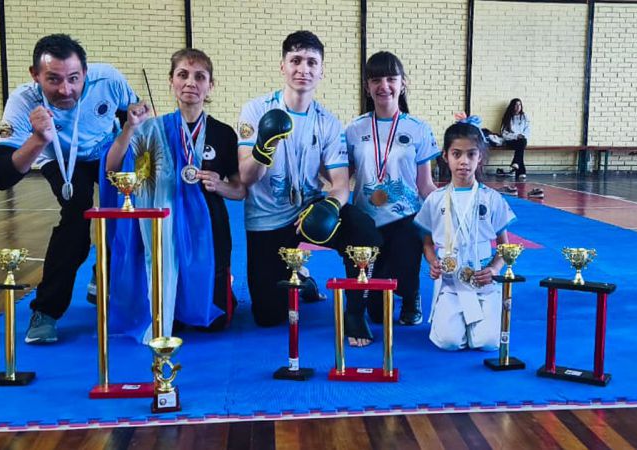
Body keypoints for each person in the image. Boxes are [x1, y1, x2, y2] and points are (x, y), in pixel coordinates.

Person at [0, 34, 139, 344]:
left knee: (133, 210)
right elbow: (1, 176)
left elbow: (130, 113)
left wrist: (135, 127)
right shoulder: (23, 101)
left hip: (105, 151)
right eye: (53, 79)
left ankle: (105, 272)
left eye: (73, 78)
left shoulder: (109, 79)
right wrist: (37, 139)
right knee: (76, 215)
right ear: (35, 75)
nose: (65, 89)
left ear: (86, 72)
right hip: (57, 154)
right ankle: (46, 311)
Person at [237, 30, 382, 347]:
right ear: (283, 66)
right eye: (296, 60)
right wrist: (263, 146)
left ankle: (355, 310)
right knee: (267, 317)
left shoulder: (327, 122)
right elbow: (246, 178)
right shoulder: (255, 110)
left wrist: (328, 206)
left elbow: (341, 184)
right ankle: (301, 278)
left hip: (310, 208)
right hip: (267, 217)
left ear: (322, 71)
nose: (303, 69)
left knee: (363, 230)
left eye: (312, 62)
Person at [104, 48, 245, 342]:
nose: (190, 82)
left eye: (200, 76)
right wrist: (131, 127)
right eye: (183, 74)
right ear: (171, 81)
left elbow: (240, 189)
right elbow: (114, 167)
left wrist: (220, 185)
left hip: (210, 227)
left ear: (211, 85)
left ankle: (213, 293)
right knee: (171, 323)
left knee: (216, 322)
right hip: (163, 224)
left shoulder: (223, 133)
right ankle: (170, 306)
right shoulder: (151, 129)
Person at [345, 51, 439, 332]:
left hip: (406, 217)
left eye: (390, 78)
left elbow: (425, 185)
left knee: (406, 275)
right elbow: (341, 177)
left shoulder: (418, 129)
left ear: (403, 83)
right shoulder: (353, 129)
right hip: (366, 219)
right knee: (376, 314)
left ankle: (412, 298)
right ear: (367, 86)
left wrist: (450, 207)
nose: (383, 86)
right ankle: (376, 297)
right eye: (376, 79)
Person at [414, 117, 516, 351]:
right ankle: (448, 315)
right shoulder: (434, 199)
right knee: (449, 342)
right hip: (450, 283)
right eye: (456, 154)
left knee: (488, 343)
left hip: (484, 282)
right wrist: (433, 263)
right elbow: (427, 244)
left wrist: (494, 269)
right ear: (445, 155)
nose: (464, 162)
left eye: (471, 154)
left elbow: (505, 246)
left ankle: (489, 310)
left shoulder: (492, 199)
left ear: (480, 157)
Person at [496, 98, 531, 180]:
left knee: (522, 142)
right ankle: (520, 170)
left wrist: (521, 135)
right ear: (512, 106)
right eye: (516, 105)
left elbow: (527, 130)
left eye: (519, 105)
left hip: (522, 140)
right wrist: (516, 136)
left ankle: (516, 163)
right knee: (521, 146)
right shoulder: (507, 117)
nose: (518, 107)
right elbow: (504, 133)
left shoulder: (524, 117)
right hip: (510, 141)